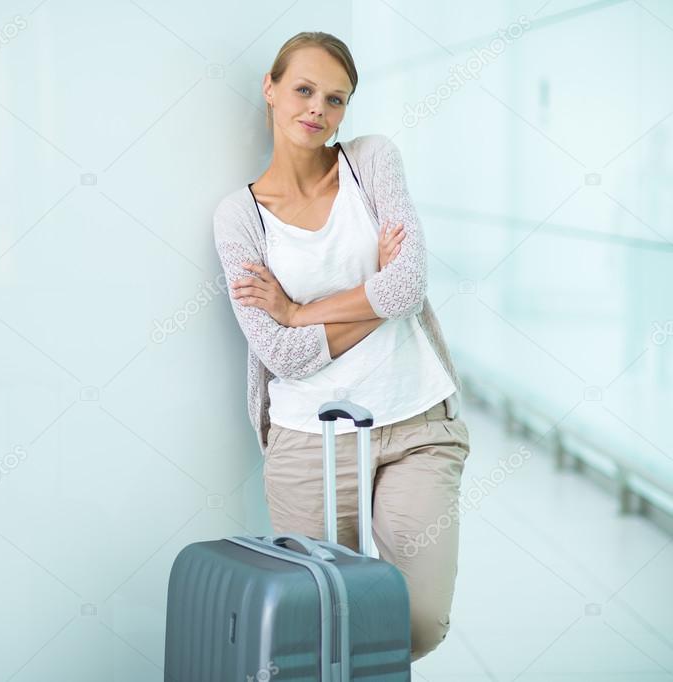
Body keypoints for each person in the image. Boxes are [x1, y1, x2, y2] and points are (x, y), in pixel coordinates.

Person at [211, 31, 472, 662]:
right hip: (309, 443)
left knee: (419, 621)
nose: (318, 110)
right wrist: (372, 295)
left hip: (416, 424)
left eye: (336, 99)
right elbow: (282, 354)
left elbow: (408, 285)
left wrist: (299, 310)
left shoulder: (371, 161)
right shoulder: (239, 217)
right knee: (320, 623)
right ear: (270, 90)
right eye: (303, 90)